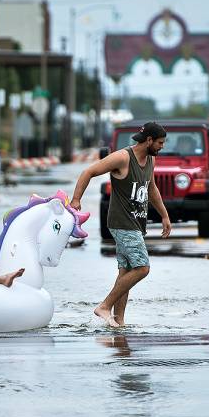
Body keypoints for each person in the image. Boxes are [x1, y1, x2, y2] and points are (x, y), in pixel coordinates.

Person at [70, 121, 171, 328]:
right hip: (122, 222)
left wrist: (164, 215)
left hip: (136, 222)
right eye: (160, 142)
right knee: (142, 268)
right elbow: (88, 172)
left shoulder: (150, 160)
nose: (162, 146)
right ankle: (105, 306)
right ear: (149, 140)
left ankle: (119, 321)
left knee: (126, 272)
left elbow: (151, 189)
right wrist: (76, 199)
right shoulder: (123, 157)